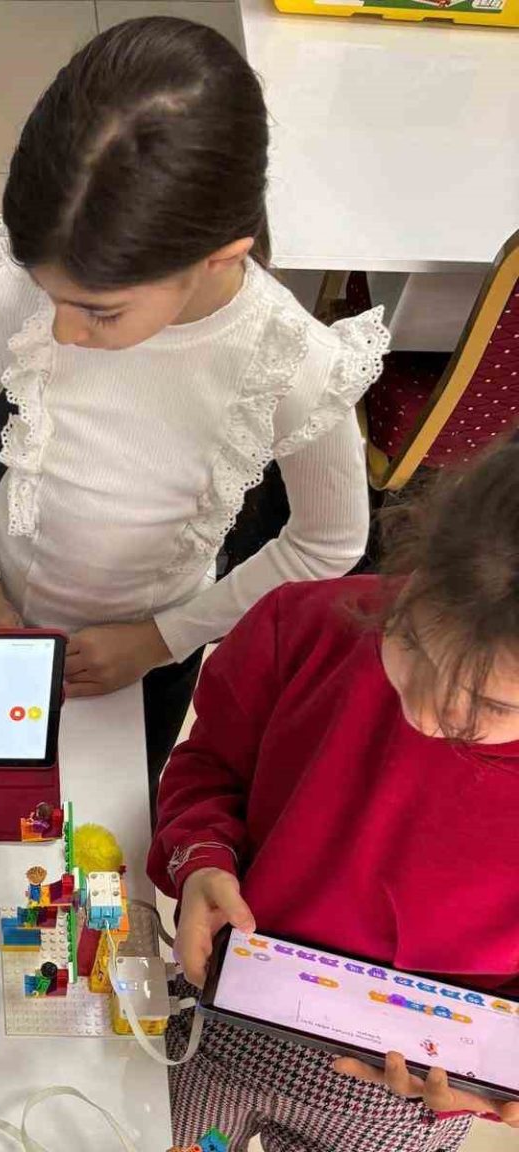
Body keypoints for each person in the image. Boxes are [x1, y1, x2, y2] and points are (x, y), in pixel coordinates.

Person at [0, 17, 387, 802]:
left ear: (220, 256)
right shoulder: (30, 286)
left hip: (152, 646)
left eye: (98, 312)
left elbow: (328, 540)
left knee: (108, 814)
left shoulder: (288, 359)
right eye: (51, 295)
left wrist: (162, 639)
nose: (63, 330)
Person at [151, 442, 519, 1149]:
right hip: (223, 1015)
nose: (430, 713)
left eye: (489, 705)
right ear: (415, 567)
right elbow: (209, 767)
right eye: (413, 645)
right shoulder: (303, 623)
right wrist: (202, 861)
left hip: (406, 1098)